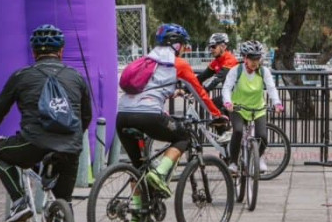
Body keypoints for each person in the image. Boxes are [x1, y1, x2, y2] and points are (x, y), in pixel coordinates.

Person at [0, 25, 92, 222]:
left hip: (33, 143)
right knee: (63, 200)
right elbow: (87, 116)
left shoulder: (21, 76)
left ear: (33, 52)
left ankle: (20, 202)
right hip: (70, 147)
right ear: (61, 51)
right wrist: (72, 138)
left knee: (0, 154)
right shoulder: (76, 77)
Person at [116, 24, 226, 200]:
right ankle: (159, 173)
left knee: (138, 168)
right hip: (148, 115)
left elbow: (149, 86)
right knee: (183, 137)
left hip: (122, 115)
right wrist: (217, 115)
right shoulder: (178, 64)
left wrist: (174, 92)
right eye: (183, 45)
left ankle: (137, 214)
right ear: (176, 45)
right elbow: (200, 93)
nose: (184, 49)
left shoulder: (145, 61)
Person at [222, 40, 284, 174]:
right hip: (238, 108)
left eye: (258, 58)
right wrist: (228, 102)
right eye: (252, 58)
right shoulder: (236, 70)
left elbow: (271, 88)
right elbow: (227, 88)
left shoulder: (263, 71)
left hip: (257, 109)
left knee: (262, 136)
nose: (255, 62)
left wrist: (277, 103)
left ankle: (258, 157)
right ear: (245, 58)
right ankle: (233, 162)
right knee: (238, 131)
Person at [197, 32, 239, 111]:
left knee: (212, 107)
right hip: (228, 95)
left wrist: (205, 90)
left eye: (213, 46)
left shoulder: (230, 60)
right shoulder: (217, 61)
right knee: (208, 107)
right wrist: (186, 89)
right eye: (210, 47)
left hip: (237, 95)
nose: (211, 49)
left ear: (223, 46)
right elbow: (202, 76)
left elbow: (217, 79)